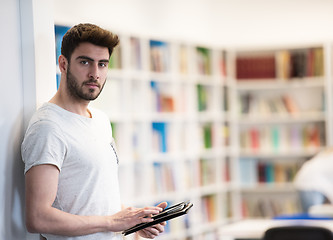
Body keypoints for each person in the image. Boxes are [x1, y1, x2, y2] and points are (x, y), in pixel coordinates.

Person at [21, 23, 167, 240]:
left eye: (102, 64)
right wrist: (112, 222)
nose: (95, 73)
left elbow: (95, 199)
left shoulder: (100, 120)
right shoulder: (47, 127)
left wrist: (134, 223)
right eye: (85, 62)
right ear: (63, 64)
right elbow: (38, 217)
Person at [293, 148, 333, 213]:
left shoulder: (328, 154)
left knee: (312, 216)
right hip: (310, 184)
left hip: (305, 181)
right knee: (314, 216)